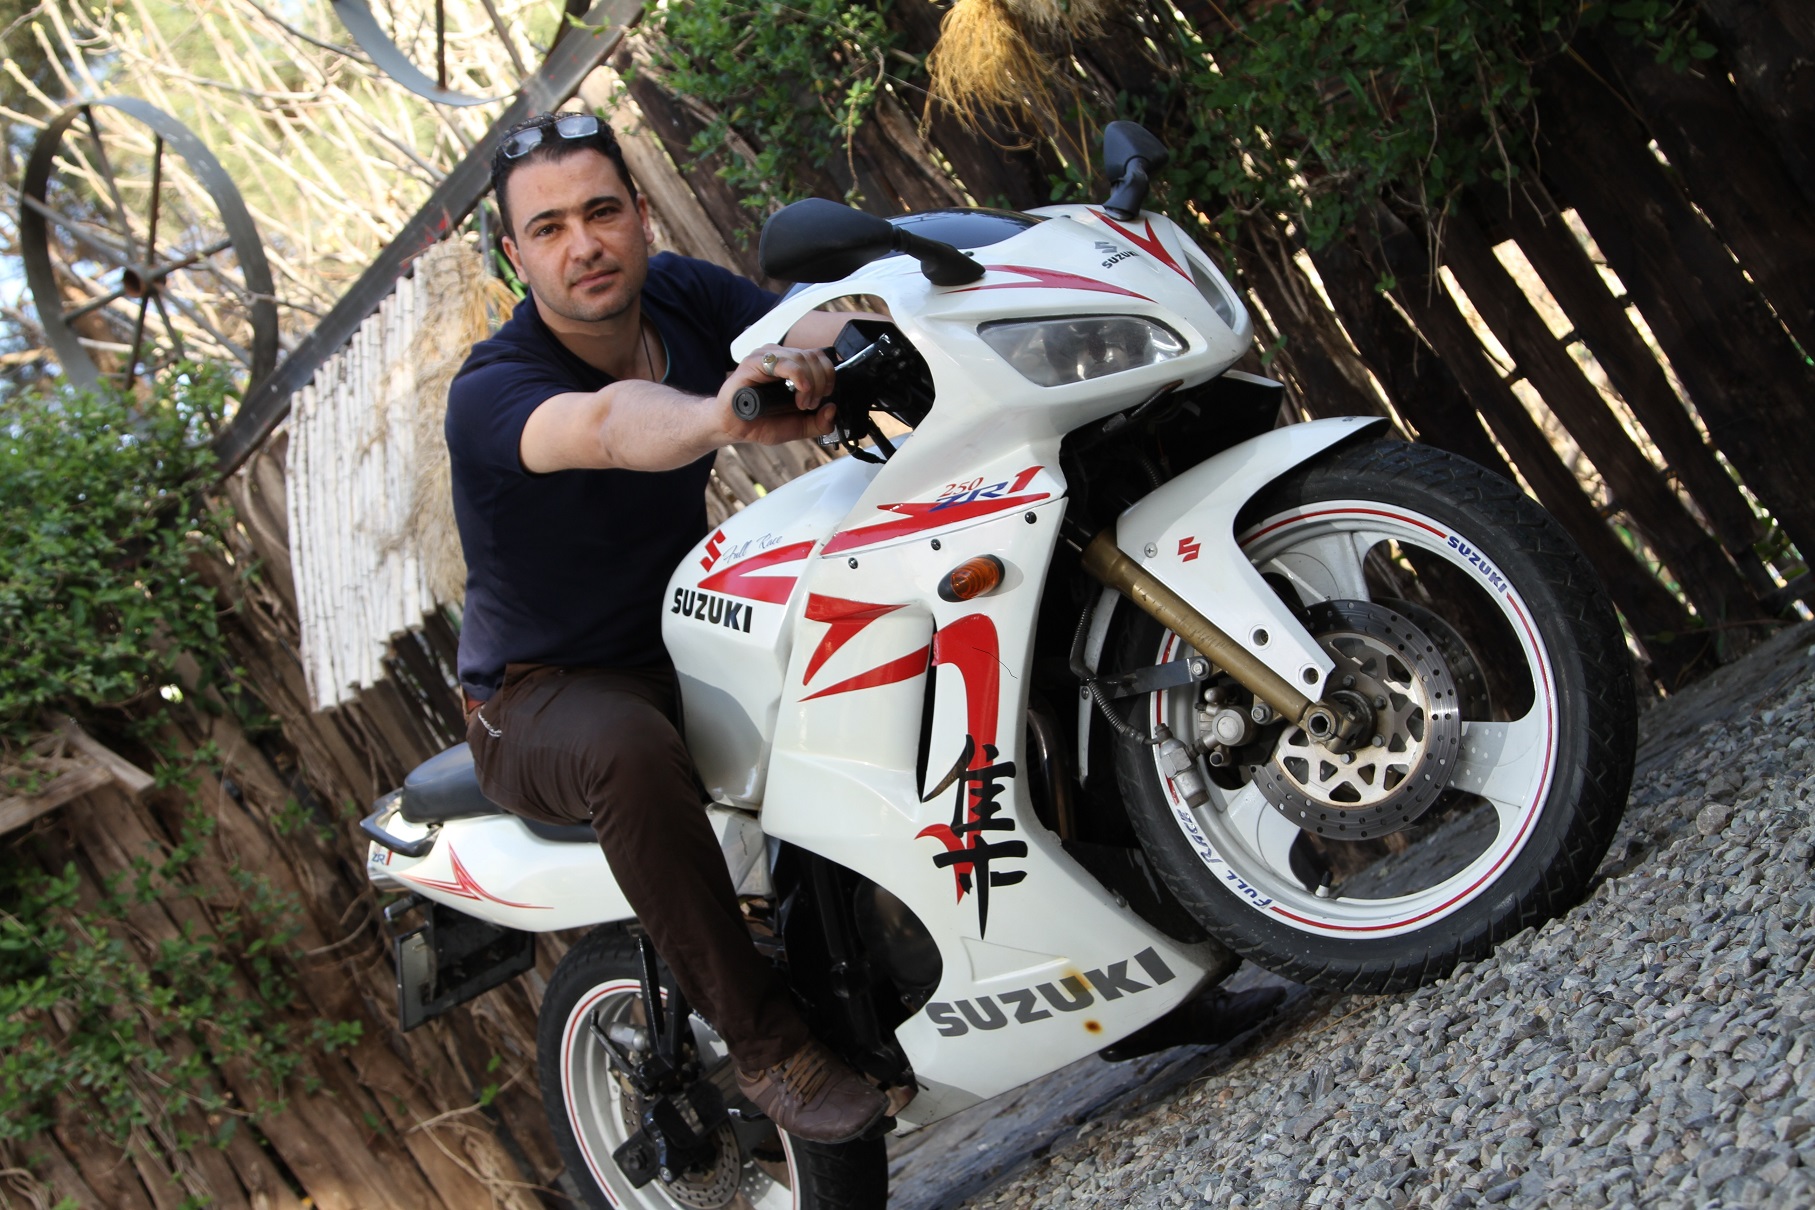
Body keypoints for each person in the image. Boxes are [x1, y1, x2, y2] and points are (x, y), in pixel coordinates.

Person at [444, 111, 894, 1144]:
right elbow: (608, 425)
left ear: (641, 216)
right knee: (626, 747)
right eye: (549, 228)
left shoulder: (682, 293)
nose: (584, 243)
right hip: (539, 695)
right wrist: (714, 415)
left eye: (601, 211)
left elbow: (806, 326)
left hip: (682, 637)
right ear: (516, 257)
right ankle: (771, 1048)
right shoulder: (493, 389)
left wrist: (874, 338)